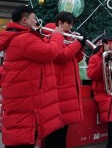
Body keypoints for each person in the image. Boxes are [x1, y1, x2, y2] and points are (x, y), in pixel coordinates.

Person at [0, 5, 64, 148]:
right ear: (25, 20)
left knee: (22, 137)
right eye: (34, 18)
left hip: (25, 98)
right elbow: (49, 53)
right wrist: (57, 36)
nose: (37, 21)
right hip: (25, 102)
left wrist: (48, 38)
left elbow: (39, 51)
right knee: (22, 139)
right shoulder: (24, 38)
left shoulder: (22, 36)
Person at [44, 12, 87, 148]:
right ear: (60, 23)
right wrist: (76, 45)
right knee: (55, 129)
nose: (71, 27)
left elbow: (75, 58)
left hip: (67, 87)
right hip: (58, 86)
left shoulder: (67, 36)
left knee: (63, 129)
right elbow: (61, 56)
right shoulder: (49, 34)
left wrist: (80, 45)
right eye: (69, 23)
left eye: (72, 23)